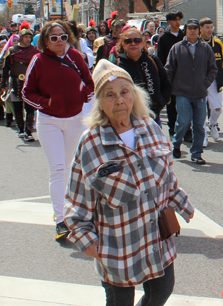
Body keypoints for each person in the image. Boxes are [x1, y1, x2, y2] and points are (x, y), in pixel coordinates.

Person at [64, 59, 194, 306]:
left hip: (156, 238)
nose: (120, 100)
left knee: (162, 290)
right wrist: (85, 238)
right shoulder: (91, 142)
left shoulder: (149, 127)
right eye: (110, 95)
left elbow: (167, 175)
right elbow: (77, 197)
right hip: (117, 244)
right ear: (100, 103)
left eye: (125, 92)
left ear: (134, 95)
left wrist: (181, 202)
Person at [22, 21, 94, 240]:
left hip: (74, 120)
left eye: (63, 36)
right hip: (49, 121)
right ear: (45, 40)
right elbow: (27, 92)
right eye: (53, 38)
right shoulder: (38, 60)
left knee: (71, 168)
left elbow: (89, 84)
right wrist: (48, 103)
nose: (59, 41)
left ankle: (71, 210)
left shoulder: (75, 56)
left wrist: (82, 99)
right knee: (58, 169)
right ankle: (60, 219)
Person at [165, 19, 217, 164]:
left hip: (200, 93)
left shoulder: (205, 48)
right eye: (189, 29)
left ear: (199, 30)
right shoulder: (177, 48)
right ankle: (176, 144)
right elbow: (169, 69)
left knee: (199, 125)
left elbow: (213, 69)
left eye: (195, 28)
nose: (192, 31)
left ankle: (196, 153)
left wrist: (205, 83)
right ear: (186, 31)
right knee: (183, 121)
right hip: (182, 93)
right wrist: (169, 88)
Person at [115, 28, 172, 125]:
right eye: (129, 41)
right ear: (123, 45)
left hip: (153, 118)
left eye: (137, 41)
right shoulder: (117, 66)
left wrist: (161, 102)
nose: (133, 44)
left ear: (142, 43)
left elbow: (166, 84)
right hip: (127, 120)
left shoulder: (153, 61)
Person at [1, 27, 38, 140]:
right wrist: (3, 83)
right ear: (21, 38)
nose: (27, 39)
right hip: (15, 81)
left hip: (31, 82)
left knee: (30, 107)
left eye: (29, 37)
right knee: (17, 106)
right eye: (25, 37)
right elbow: (6, 67)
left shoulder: (35, 50)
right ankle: (21, 130)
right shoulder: (12, 50)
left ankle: (29, 131)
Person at [157, 10, 190, 139]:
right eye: (175, 20)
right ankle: (172, 130)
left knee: (186, 104)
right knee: (172, 104)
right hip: (170, 74)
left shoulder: (184, 35)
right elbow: (160, 57)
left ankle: (187, 130)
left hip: (185, 75)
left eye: (179, 19)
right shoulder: (164, 38)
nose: (177, 22)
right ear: (169, 22)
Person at [199, 17, 223, 141]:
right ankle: (203, 134)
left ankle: (212, 124)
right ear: (200, 29)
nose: (210, 30)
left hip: (214, 81)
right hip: (199, 82)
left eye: (211, 27)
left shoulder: (218, 44)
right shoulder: (196, 43)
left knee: (217, 108)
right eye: (207, 27)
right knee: (200, 108)